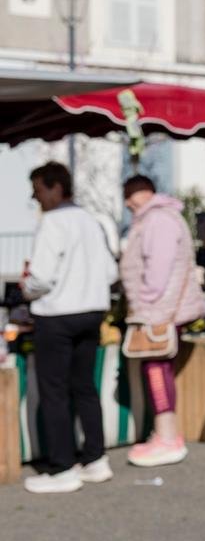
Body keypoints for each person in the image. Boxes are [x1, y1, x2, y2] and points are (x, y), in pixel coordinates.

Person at [21, 162, 119, 494]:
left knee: (55, 392)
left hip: (57, 315)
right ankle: (95, 458)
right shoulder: (89, 219)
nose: (36, 199)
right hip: (91, 311)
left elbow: (41, 277)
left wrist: (27, 288)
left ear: (55, 188)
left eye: (38, 191)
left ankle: (62, 467)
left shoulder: (53, 222)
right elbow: (109, 271)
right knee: (84, 387)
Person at [119, 175, 205, 468]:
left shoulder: (158, 221)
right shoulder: (160, 218)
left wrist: (145, 303)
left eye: (131, 193)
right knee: (158, 367)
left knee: (156, 367)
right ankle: (164, 433)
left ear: (145, 192)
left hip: (158, 308)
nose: (128, 201)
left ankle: (168, 437)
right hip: (161, 307)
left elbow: (158, 270)